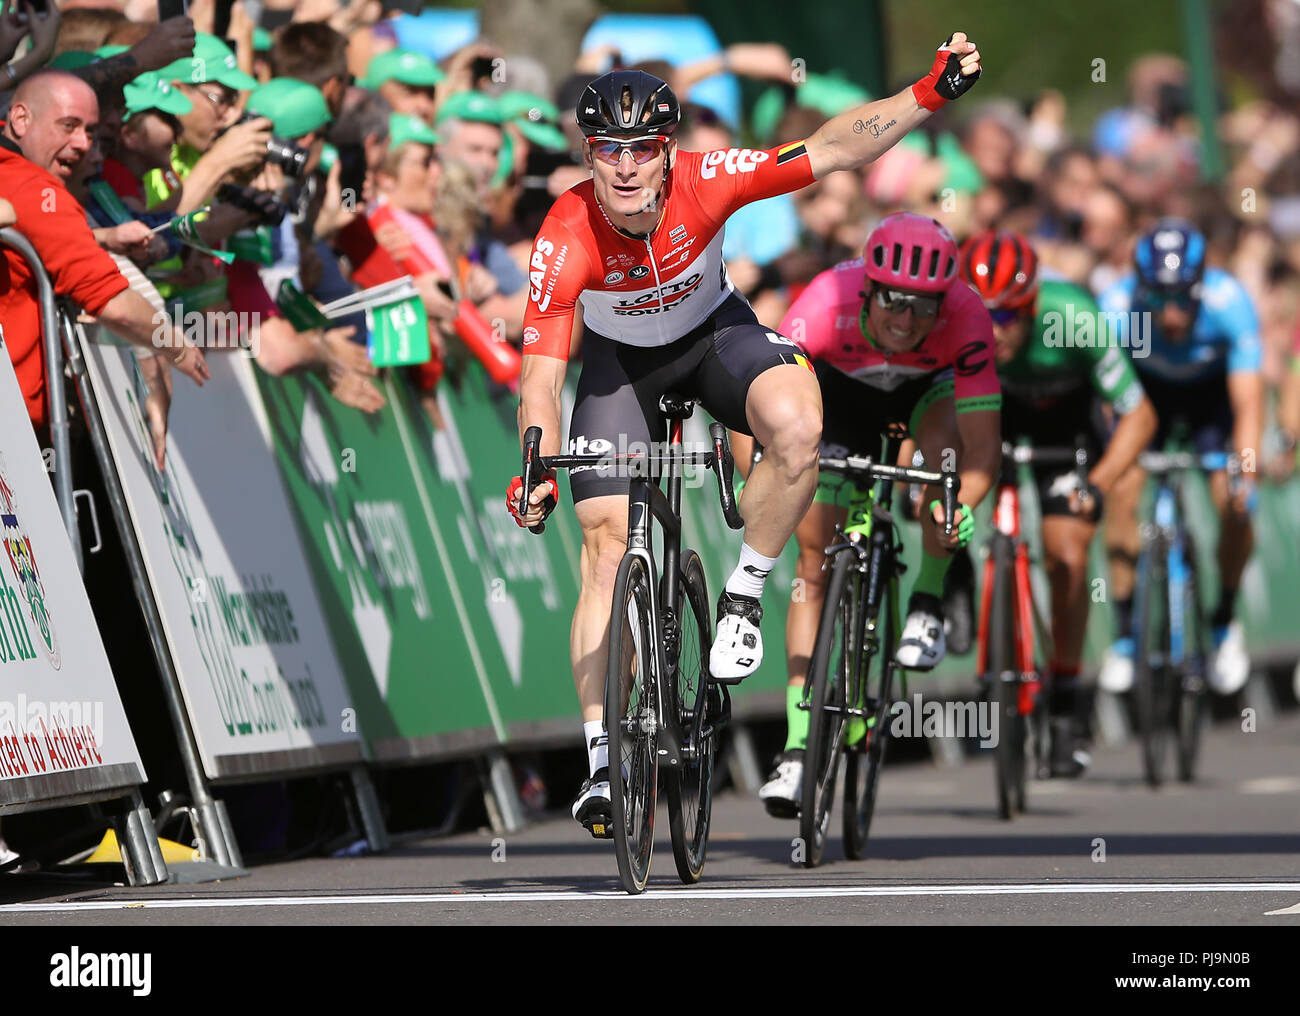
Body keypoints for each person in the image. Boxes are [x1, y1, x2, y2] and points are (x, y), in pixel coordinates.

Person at [506, 32, 985, 837]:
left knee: (800, 425)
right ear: (587, 154)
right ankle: (599, 760)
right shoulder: (565, 233)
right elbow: (541, 376)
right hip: (621, 369)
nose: (625, 168)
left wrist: (928, 94)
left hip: (713, 339)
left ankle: (744, 592)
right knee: (601, 543)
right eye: (607, 151)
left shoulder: (710, 180)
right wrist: (534, 462)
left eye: (643, 150)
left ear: (669, 152)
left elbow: (833, 148)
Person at [757, 213, 1001, 815]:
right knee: (815, 563)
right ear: (868, 288)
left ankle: (927, 599)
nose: (907, 318)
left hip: (927, 396)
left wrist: (957, 507)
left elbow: (982, 447)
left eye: (925, 307)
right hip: (839, 393)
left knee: (940, 477)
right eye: (893, 300)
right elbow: (759, 409)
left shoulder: (967, 316)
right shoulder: (822, 302)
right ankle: (795, 747)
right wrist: (764, 487)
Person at [959, 229, 1157, 776]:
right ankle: (951, 579)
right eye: (981, 318)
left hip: (1066, 427)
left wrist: (1097, 481)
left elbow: (1138, 416)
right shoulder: (953, 324)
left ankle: (1066, 702)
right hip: (991, 415)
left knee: (1068, 557)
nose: (991, 332)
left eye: (1004, 319)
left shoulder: (1075, 317)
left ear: (1030, 307)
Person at [1099, 219, 1264, 697]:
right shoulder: (1115, 306)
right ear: (1140, 288)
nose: (1171, 314)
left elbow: (1248, 403)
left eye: (1182, 299)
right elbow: (1110, 401)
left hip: (1211, 399)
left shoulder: (1229, 302)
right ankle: (1127, 634)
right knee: (1124, 488)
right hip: (1145, 398)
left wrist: (1244, 469)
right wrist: (1117, 460)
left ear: (1201, 287)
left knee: (1235, 501)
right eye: (1158, 299)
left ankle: (1224, 618)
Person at [0, 69, 208, 440]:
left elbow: (36, 237)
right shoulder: (36, 189)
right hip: (13, 437)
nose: (83, 144)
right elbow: (115, 304)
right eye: (68, 125)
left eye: (92, 132)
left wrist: (100, 237)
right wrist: (178, 347)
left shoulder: (15, 176)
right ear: (20, 119)